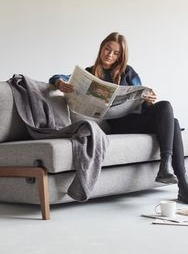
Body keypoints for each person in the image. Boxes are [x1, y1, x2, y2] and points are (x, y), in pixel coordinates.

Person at [49, 32, 188, 203]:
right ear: (101, 49)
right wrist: (60, 83)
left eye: (116, 53)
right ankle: (183, 186)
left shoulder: (128, 72)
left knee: (167, 109)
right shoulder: (90, 73)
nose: (110, 55)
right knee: (172, 123)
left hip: (136, 119)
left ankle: (168, 168)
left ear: (120, 56)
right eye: (107, 49)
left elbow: (142, 102)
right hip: (118, 125)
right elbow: (59, 77)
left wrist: (148, 99)